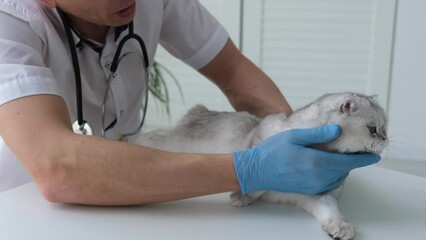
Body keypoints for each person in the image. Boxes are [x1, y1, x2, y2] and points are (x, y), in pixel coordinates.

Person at [0, 0, 380, 205]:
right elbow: (59, 169)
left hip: (132, 189)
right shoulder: (8, 21)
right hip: (23, 203)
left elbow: (233, 73)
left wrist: (292, 137)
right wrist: (250, 169)